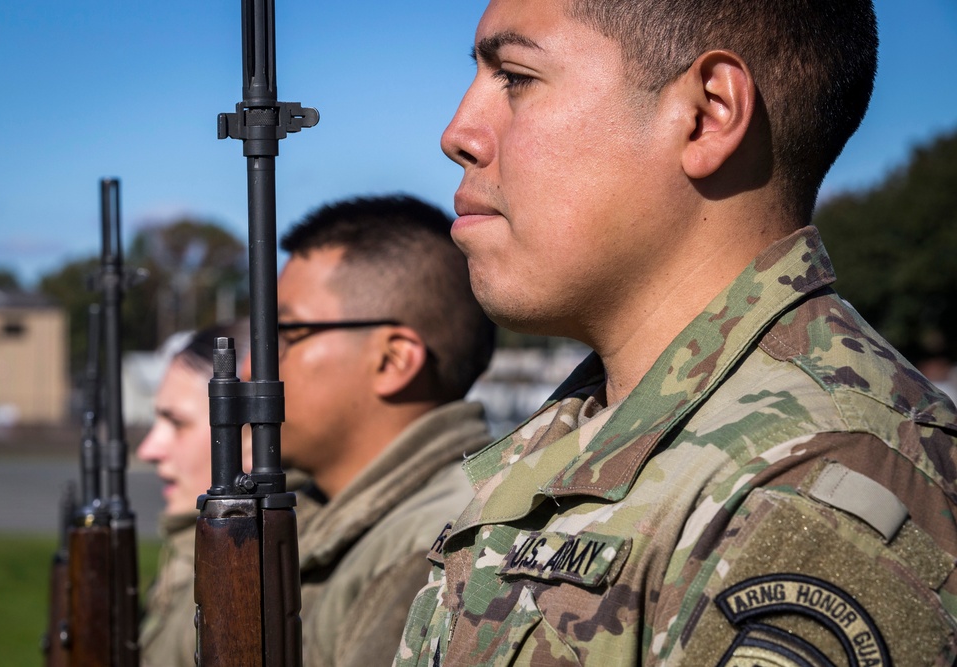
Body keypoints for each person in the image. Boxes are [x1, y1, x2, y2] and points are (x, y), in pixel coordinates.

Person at [394, 1, 957, 665]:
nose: (457, 134)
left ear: (706, 114)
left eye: (516, 77)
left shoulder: (813, 483)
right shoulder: (587, 432)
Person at [273, 194, 496, 666]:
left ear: (392, 360)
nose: (256, 366)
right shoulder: (341, 515)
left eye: (287, 334)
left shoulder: (431, 548)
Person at [135, 322, 249, 667]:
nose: (148, 450)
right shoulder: (186, 555)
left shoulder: (260, 575)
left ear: (249, 436)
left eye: (177, 423)